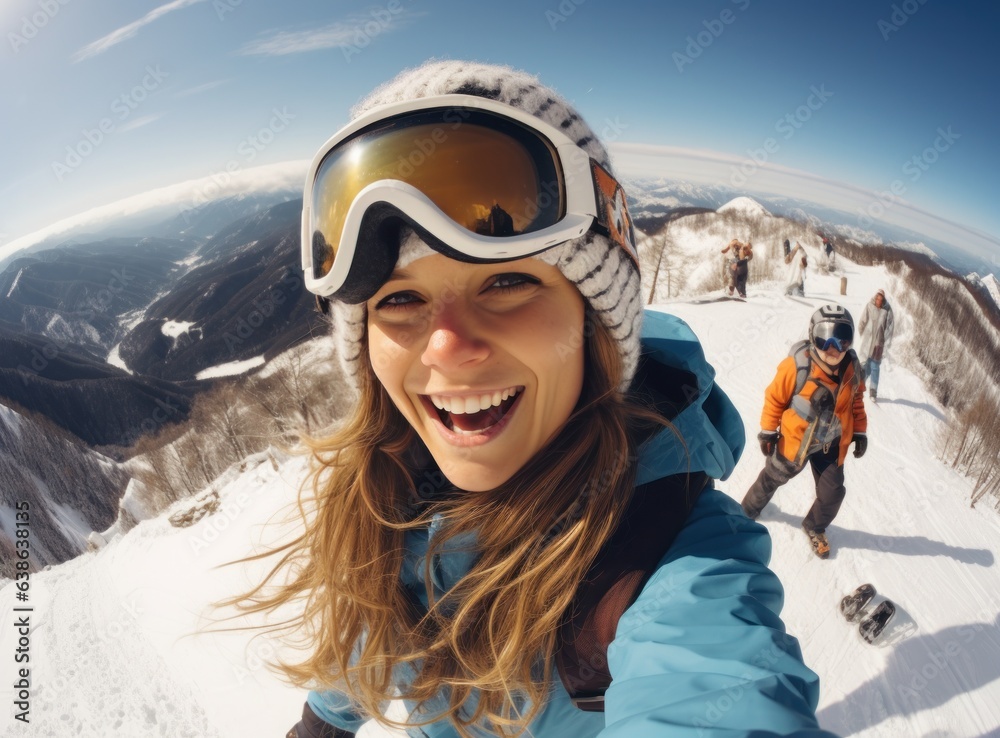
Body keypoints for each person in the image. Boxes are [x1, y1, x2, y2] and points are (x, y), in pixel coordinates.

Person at [230, 60, 836, 738]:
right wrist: (322, 722)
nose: (446, 346)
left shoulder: (670, 552)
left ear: (592, 326)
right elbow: (372, 633)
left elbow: (715, 686)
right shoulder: (383, 501)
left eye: (506, 284)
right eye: (401, 300)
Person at [741, 305, 868, 558]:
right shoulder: (797, 367)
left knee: (833, 492)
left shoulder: (852, 369)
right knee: (772, 477)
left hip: (829, 445)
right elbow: (775, 398)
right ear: (812, 337)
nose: (833, 349)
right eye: (825, 338)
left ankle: (815, 525)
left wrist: (860, 432)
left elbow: (856, 401)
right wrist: (768, 431)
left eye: (841, 339)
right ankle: (745, 512)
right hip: (796, 441)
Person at [857, 289, 895, 402]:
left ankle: (873, 391)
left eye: (881, 299)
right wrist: (862, 333)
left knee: (875, 367)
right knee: (865, 366)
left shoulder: (887, 310)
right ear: (875, 298)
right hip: (868, 342)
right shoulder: (869, 306)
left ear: (883, 300)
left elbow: (890, 327)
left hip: (878, 343)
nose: (879, 301)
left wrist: (885, 341)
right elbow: (863, 320)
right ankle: (860, 385)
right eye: (877, 298)